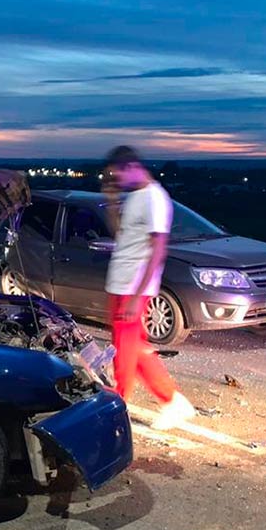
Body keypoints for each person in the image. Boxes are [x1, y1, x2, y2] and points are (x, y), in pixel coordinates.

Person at [102, 146, 195, 430]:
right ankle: (173, 401)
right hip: (120, 282)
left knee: (124, 350)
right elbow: (121, 235)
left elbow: (158, 250)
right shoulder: (135, 196)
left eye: (118, 173)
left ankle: (119, 406)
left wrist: (138, 294)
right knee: (134, 347)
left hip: (133, 286)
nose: (116, 179)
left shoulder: (155, 198)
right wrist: (113, 202)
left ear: (131, 166)